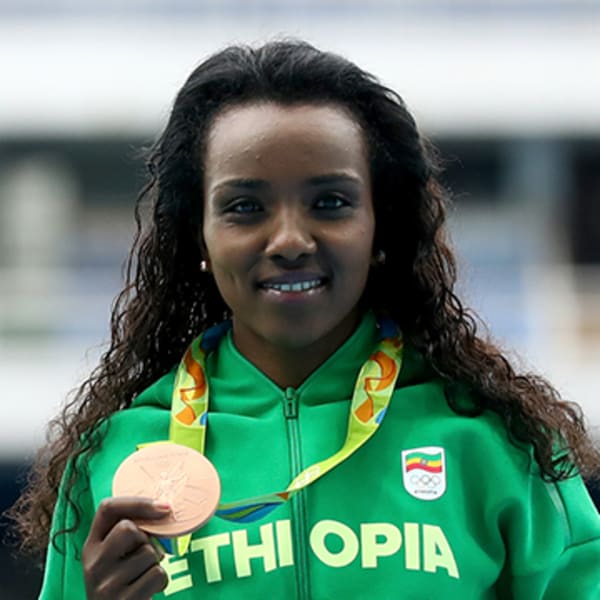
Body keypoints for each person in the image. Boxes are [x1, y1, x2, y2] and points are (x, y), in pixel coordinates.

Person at [9, 40, 600, 599]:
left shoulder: (494, 439)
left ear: (381, 226)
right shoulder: (115, 459)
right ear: (199, 237)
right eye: (245, 207)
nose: (290, 240)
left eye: (330, 203)